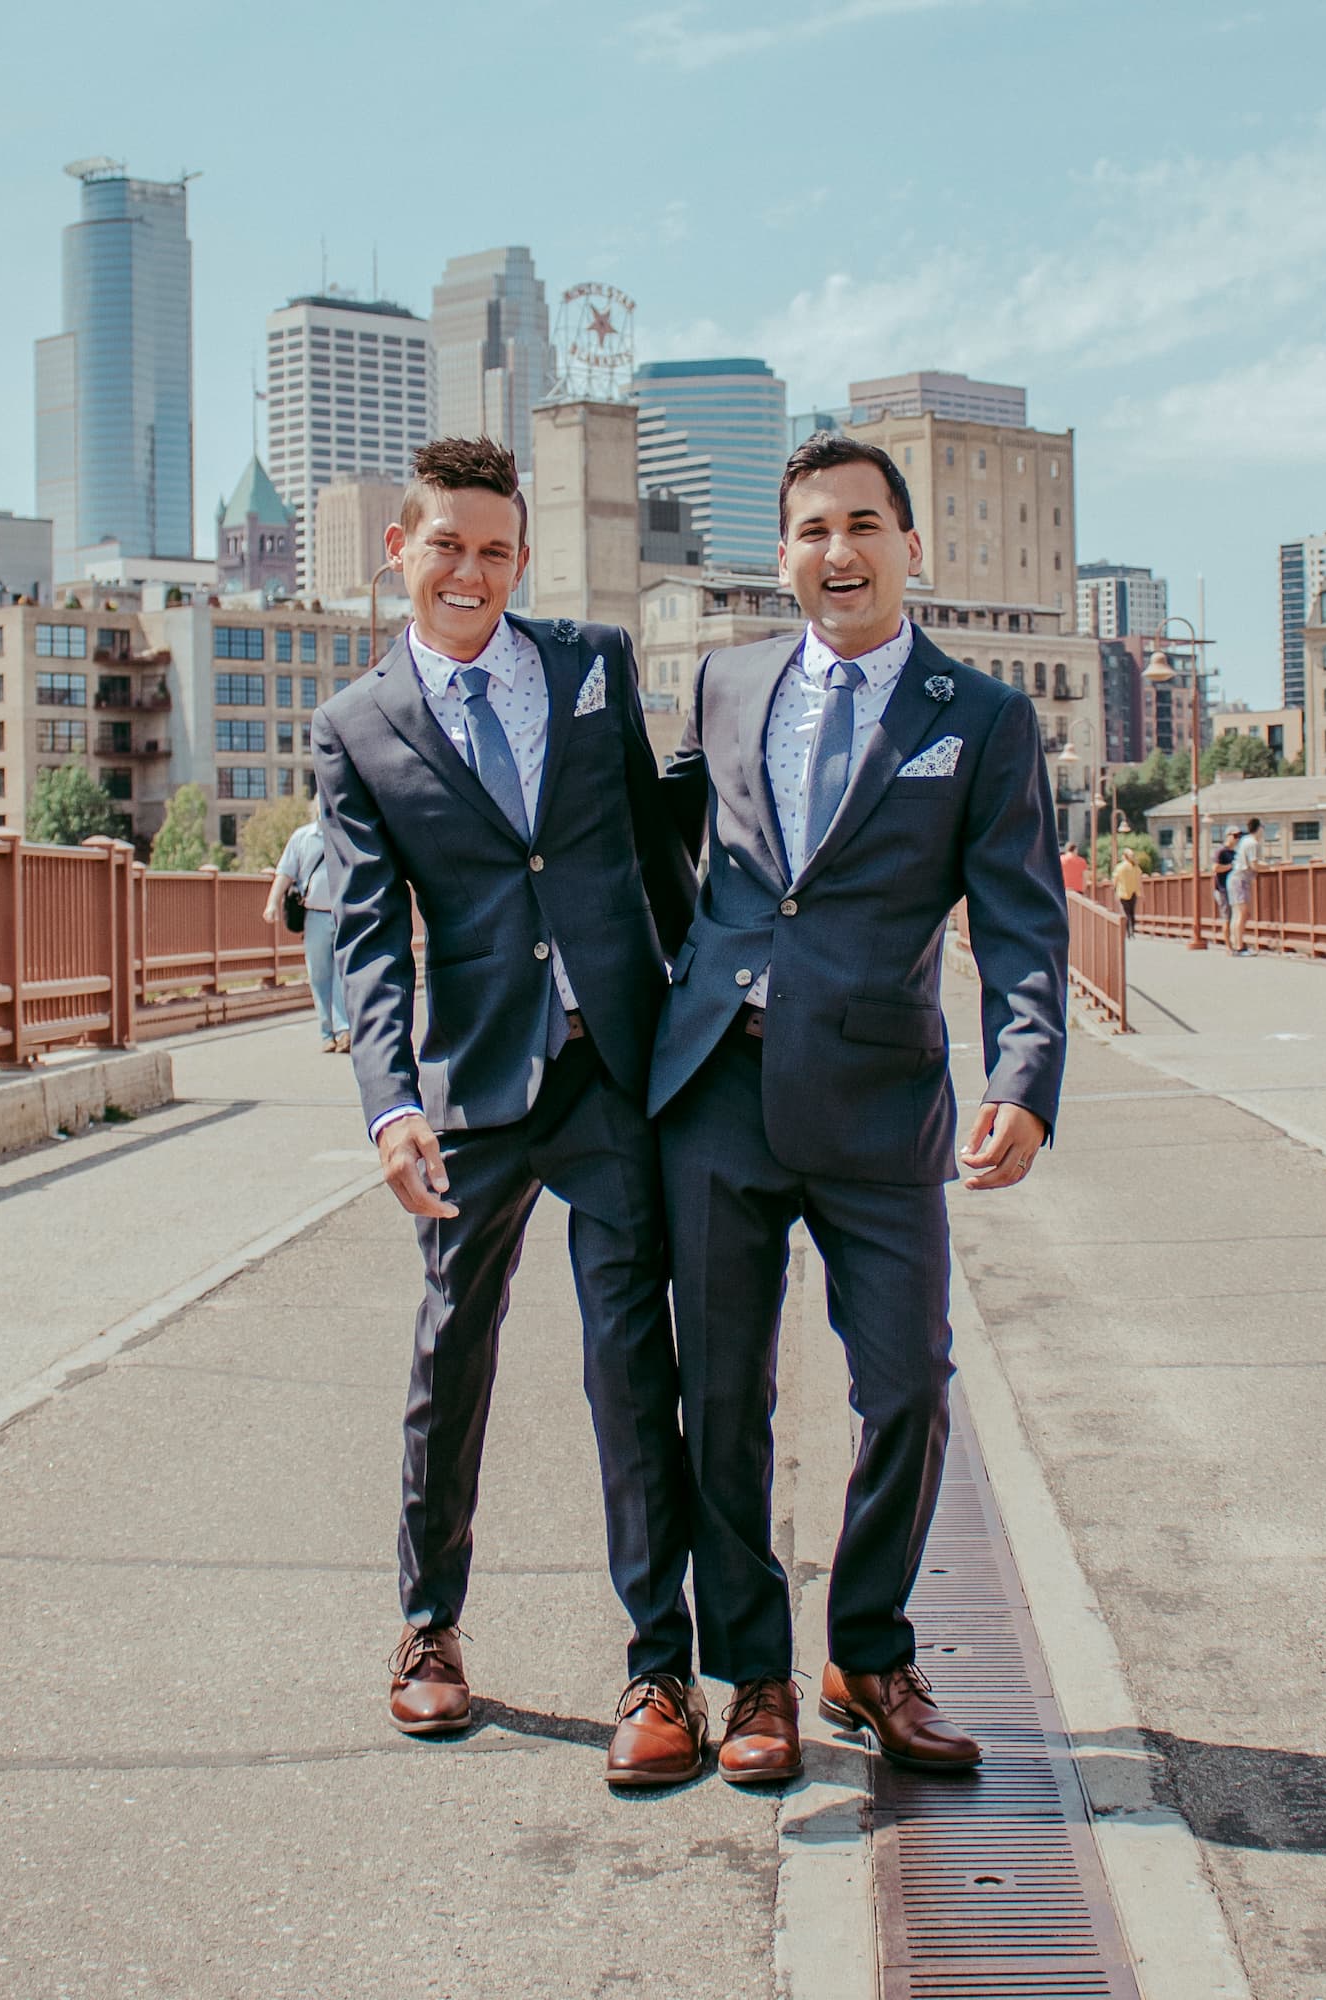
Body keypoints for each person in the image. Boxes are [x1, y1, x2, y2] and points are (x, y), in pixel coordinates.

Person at [652, 433, 1069, 1784]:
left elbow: (1021, 919)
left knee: (909, 1388)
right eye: (813, 530)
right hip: (718, 1085)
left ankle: (869, 1647)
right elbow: (654, 839)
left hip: (883, 1100)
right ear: (782, 556)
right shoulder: (724, 682)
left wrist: (1024, 1074)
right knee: (722, 1400)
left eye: (864, 526)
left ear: (909, 544)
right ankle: (754, 1677)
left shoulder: (982, 716)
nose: (838, 551)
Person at [310, 438, 704, 1789]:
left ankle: (661, 1665)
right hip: (474, 1089)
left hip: (613, 1069)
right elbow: (363, 929)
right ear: (399, 553)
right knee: (451, 1355)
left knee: (629, 1365)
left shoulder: (594, 666)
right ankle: (429, 1632)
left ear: (520, 560)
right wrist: (388, 1104)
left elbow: (658, 847)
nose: (470, 571)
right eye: (446, 547)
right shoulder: (358, 725)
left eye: (494, 550)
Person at [263, 802, 349, 1052]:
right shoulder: (303, 837)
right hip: (314, 916)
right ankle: (327, 1033)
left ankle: (344, 1030)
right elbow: (285, 873)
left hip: (343, 914)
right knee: (319, 975)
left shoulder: (345, 835)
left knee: (342, 973)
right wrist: (272, 903)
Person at [1228, 815, 1262, 954]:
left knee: (1237, 914)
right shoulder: (1252, 843)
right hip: (1241, 880)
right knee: (1242, 914)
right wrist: (1271, 868)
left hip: (1234, 878)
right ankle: (1240, 947)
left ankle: (1236, 945)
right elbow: (1254, 865)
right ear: (1259, 828)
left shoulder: (1244, 840)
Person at [1212, 833, 1238, 942]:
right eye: (1235, 836)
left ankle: (1237, 942)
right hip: (1222, 889)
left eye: (1239, 836)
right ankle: (1228, 946)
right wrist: (1230, 866)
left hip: (1234, 889)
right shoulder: (1221, 851)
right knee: (1227, 917)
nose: (1237, 839)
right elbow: (1215, 867)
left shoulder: (1235, 853)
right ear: (1228, 836)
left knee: (1235, 917)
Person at [1111, 846, 1142, 936]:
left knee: (1125, 912)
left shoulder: (1120, 867)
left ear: (1124, 856)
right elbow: (1139, 880)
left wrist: (1114, 888)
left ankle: (1127, 930)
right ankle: (1132, 929)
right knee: (1132, 912)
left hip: (1122, 892)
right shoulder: (1135, 867)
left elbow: (1115, 880)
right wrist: (1140, 892)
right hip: (1133, 892)